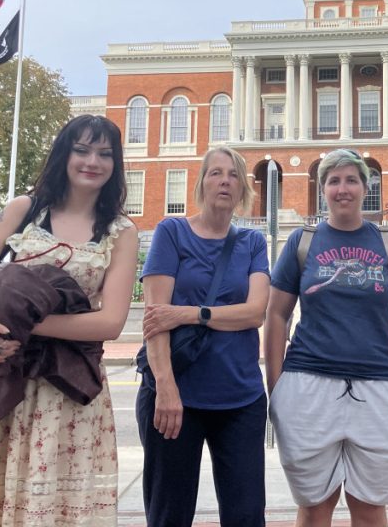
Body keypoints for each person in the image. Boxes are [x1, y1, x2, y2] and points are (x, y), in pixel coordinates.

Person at [0, 115, 138, 525]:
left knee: (56, 508)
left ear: (115, 164)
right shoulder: (24, 210)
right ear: (64, 153)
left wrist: (23, 324)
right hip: (3, 381)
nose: (92, 161)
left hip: (67, 392)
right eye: (82, 150)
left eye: (105, 153)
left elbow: (110, 323)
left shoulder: (121, 231)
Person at [265, 148, 388, 527]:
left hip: (381, 386)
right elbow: (276, 315)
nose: (342, 188)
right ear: (322, 189)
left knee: (369, 508)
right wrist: (277, 388)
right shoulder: (302, 242)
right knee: (315, 506)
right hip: (308, 383)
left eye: (351, 179)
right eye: (333, 180)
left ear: (365, 187)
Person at [137, 146, 270, 527]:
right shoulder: (172, 232)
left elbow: (254, 313)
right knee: (170, 515)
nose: (225, 180)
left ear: (243, 187)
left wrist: (190, 314)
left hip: (240, 398)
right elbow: (154, 319)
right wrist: (165, 386)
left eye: (232, 174)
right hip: (176, 400)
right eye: (215, 173)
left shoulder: (252, 244)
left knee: (246, 515)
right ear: (201, 184)